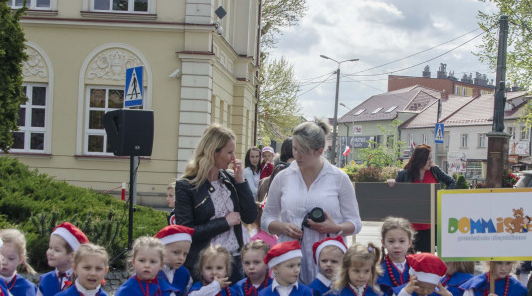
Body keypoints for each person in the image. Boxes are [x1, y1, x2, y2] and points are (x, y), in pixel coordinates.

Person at [261, 120, 362, 284]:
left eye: (303, 151)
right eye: (294, 148)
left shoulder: (339, 178)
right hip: (289, 263)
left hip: (328, 265)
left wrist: (335, 228)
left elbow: (356, 223)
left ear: (319, 151)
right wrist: (282, 227)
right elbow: (265, 219)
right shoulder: (282, 178)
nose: (297, 155)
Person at [175, 124, 258, 283]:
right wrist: (224, 222)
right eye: (229, 152)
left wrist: (241, 182)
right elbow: (187, 231)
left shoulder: (231, 180)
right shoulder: (186, 186)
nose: (234, 158)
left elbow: (250, 216)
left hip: (233, 261)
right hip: (205, 266)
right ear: (213, 152)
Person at [384, 145, 455, 254]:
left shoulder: (434, 171)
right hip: (409, 227)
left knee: (427, 260)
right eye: (428, 159)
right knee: (409, 260)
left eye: (431, 158)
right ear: (420, 159)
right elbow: (396, 195)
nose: (430, 161)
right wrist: (392, 182)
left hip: (430, 226)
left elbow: (451, 182)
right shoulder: (404, 174)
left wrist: (443, 196)